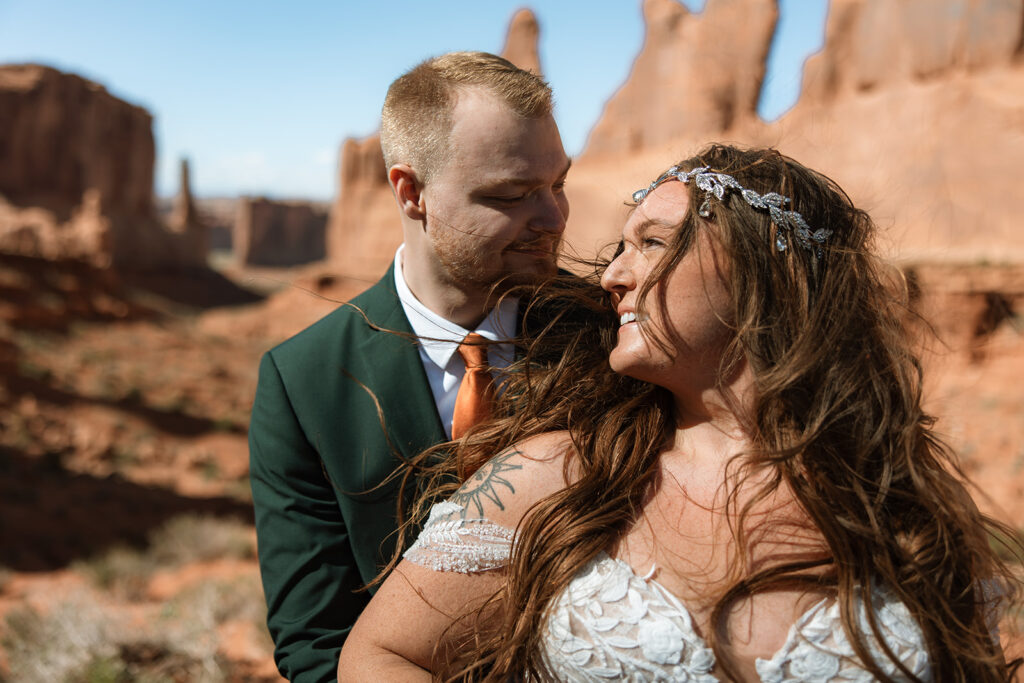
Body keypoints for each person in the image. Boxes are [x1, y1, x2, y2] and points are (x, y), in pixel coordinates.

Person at [338, 144, 1021, 681]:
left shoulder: (906, 506)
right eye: (620, 246)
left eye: (654, 243)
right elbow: (384, 655)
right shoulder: (555, 475)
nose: (612, 274)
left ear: (766, 273)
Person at [248, 51, 571, 682]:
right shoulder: (302, 381)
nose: (554, 218)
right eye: (510, 194)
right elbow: (317, 644)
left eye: (559, 183)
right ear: (411, 192)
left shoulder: (612, 338)